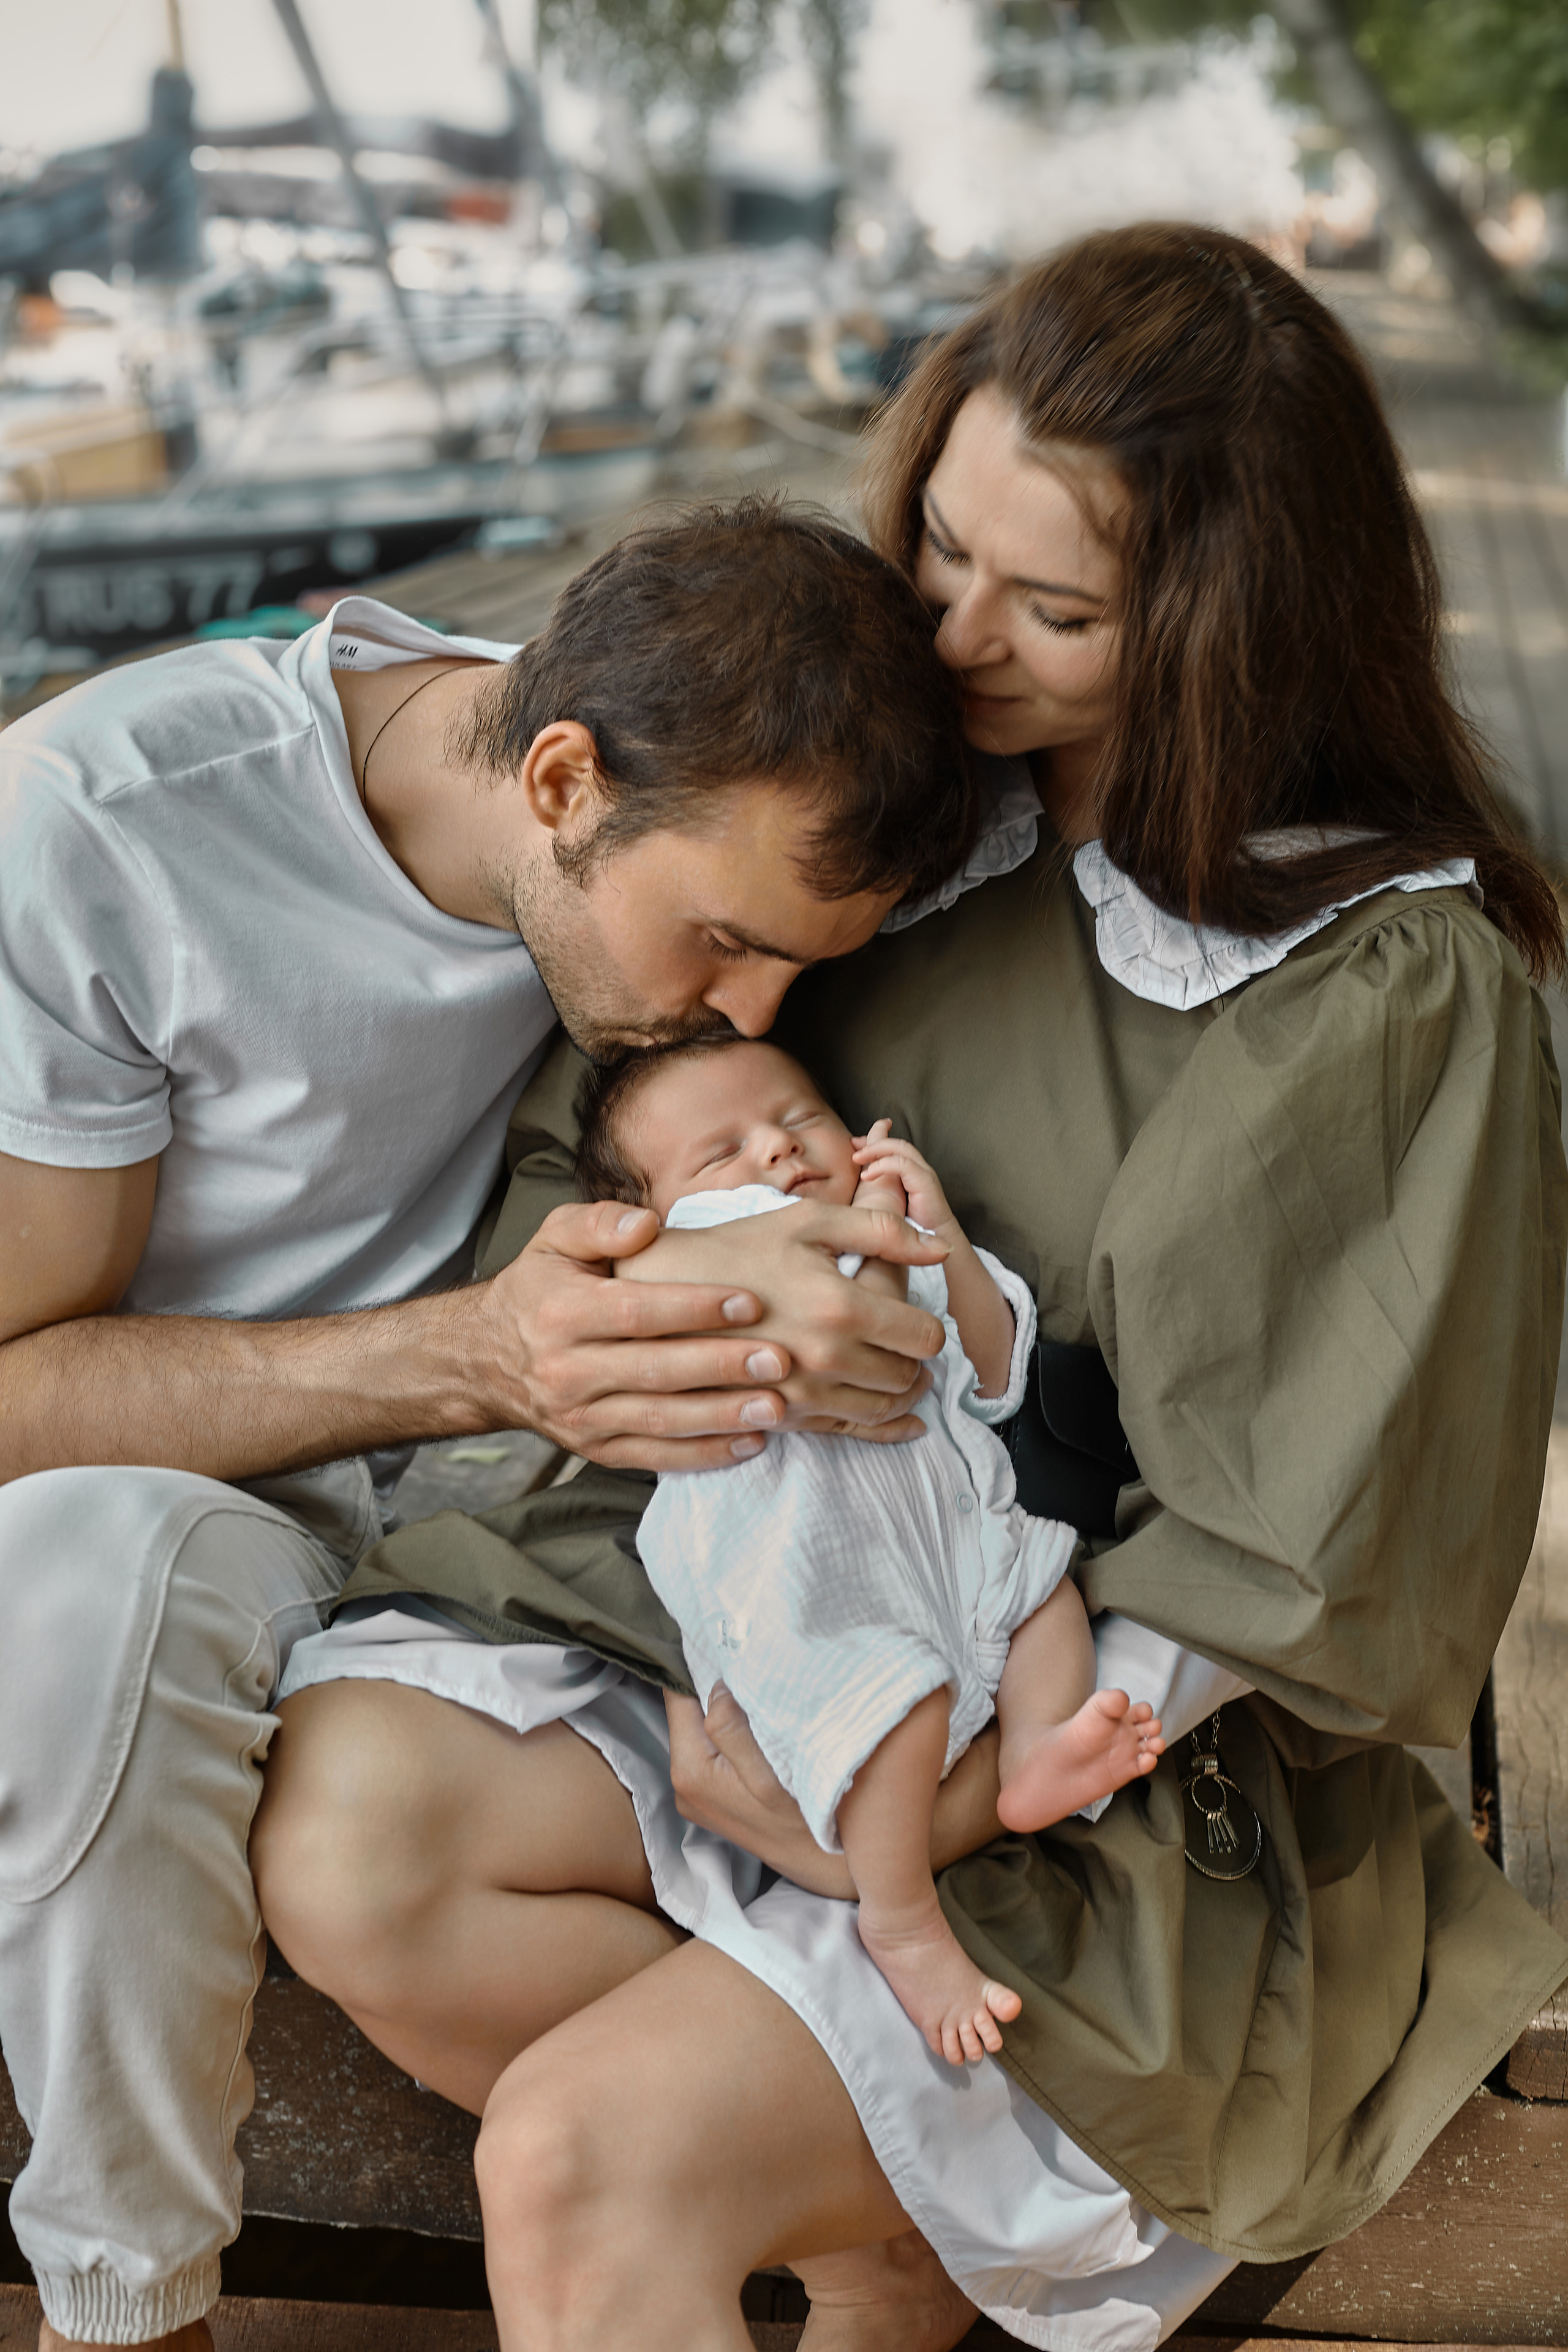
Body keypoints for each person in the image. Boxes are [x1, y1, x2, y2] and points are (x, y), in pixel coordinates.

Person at [256, 221, 1568, 2352]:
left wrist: (914, 1792)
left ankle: (819, 2173)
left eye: (1056, 610)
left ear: (1237, 632)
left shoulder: (1386, 986)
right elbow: (596, 1125)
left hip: (1109, 1755)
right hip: (762, 1608)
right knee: (354, 1843)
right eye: (944, 546)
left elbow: (1296, 1558)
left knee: (584, 2161)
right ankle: (888, 2236)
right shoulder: (868, 800)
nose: (958, 636)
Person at [0, 496, 984, 2352]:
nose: (748, 1015)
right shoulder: (105, 833)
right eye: (721, 944)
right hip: (220, 1495)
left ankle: (871, 2187)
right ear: (556, 777)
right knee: (80, 1572)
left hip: (542, 1539)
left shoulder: (695, 841)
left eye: (796, 965)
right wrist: (472, 1358)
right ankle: (127, 2313)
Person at [575, 1034, 1164, 2064]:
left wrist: (939, 1240)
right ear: (654, 1222)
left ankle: (1032, 1755)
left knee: (1045, 1594)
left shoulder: (896, 1239)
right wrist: (880, 1234)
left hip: (952, 1548)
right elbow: (858, 1324)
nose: (777, 1152)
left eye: (800, 1120)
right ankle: (900, 1919)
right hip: (811, 1587)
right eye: (723, 1156)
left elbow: (991, 1375)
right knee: (898, 1704)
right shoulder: (695, 1284)